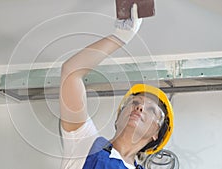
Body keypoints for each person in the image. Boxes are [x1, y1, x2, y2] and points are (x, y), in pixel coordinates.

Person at [59, 4, 174, 169]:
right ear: (117, 118)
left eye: (151, 110)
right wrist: (119, 37)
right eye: (135, 102)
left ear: (156, 134)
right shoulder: (84, 143)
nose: (140, 107)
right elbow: (70, 73)